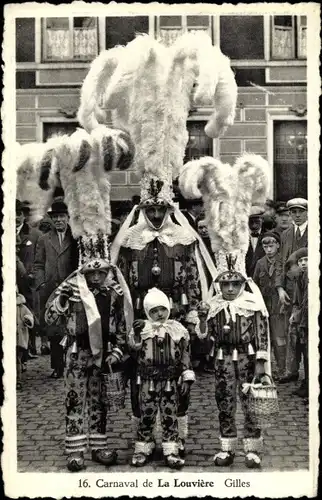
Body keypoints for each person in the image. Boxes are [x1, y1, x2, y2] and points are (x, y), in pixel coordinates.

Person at [178, 149, 272, 469]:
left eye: (234, 284)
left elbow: (262, 335)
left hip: (246, 359)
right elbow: (204, 339)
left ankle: (252, 448)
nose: (230, 289)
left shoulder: (251, 303)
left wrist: (261, 365)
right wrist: (203, 320)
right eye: (225, 285)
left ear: (242, 283)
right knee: (224, 401)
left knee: (251, 402)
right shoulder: (215, 305)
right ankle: (227, 446)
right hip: (221, 361)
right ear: (219, 285)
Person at [128, 288, 195, 469]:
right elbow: (133, 350)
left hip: (170, 381)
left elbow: (185, 354)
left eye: (162, 309)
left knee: (169, 413)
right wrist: (135, 335)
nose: (159, 314)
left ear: (168, 308)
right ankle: (143, 447)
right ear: (147, 312)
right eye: (154, 311)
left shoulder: (177, 329)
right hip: (147, 380)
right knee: (147, 413)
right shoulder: (143, 329)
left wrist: (186, 376)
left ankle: (171, 449)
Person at [34, 199, 78, 376]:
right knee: (53, 329)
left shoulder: (76, 237)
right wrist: (42, 282)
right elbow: (38, 264)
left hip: (71, 288)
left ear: (68, 217)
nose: (59, 220)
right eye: (55, 217)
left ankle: (72, 363)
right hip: (50, 290)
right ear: (52, 219)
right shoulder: (45, 239)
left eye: (62, 216)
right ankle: (57, 367)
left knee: (71, 326)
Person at [275, 198, 308, 384]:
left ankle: (309, 375)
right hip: (288, 290)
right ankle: (292, 370)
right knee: (291, 331)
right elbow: (281, 262)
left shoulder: (314, 230)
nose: (296, 215)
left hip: (306, 290)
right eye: (293, 212)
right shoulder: (286, 234)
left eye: (300, 211)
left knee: (306, 330)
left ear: (307, 212)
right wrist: (280, 288)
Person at [253, 231, 286, 379]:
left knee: (279, 339)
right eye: (265, 247)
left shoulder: (283, 261)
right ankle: (265, 369)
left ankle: (282, 369)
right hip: (264, 305)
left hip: (279, 306)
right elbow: (254, 284)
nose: (269, 250)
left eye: (271, 246)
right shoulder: (260, 263)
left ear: (278, 245)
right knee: (264, 339)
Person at [16, 199, 42, 357]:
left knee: (30, 312)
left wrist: (33, 274)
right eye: (13, 214)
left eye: (19, 214)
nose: (17, 218)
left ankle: (30, 346)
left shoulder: (34, 234)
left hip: (28, 280)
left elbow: (38, 257)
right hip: (12, 281)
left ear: (24, 216)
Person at [284, 248, 308, 397]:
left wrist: (298, 314)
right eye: (300, 261)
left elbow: (308, 303)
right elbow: (297, 301)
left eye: (306, 260)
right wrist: (294, 313)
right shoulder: (301, 277)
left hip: (308, 321)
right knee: (304, 353)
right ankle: (306, 384)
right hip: (302, 322)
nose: (303, 264)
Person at [16, 288, 34, 390]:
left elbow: (29, 316)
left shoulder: (21, 307)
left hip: (18, 337)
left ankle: (17, 380)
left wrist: (27, 320)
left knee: (16, 360)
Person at [245, 206, 266, 278]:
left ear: (262, 219)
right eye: (251, 222)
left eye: (257, 221)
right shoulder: (241, 238)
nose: (254, 225)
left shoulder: (269, 236)